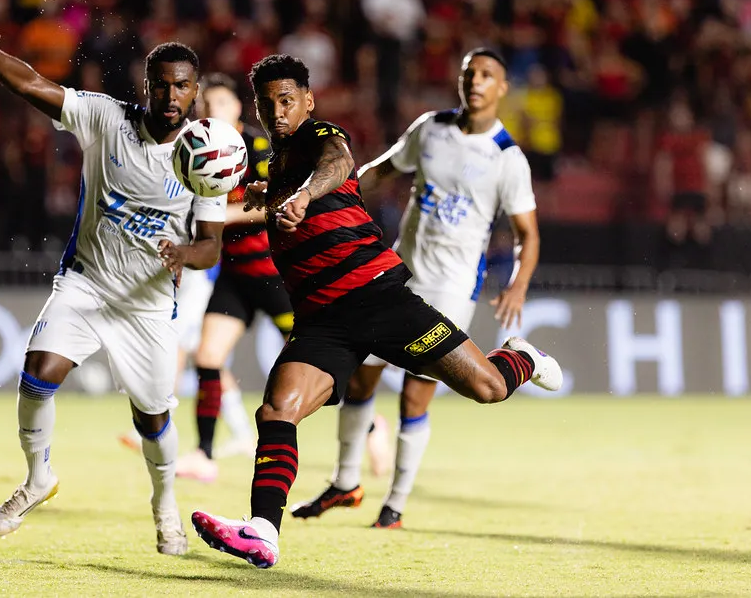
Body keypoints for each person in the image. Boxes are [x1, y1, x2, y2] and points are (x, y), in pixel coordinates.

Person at [190, 54, 562, 569]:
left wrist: (303, 193)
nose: (278, 111)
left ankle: (521, 357)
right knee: (278, 410)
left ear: (307, 101)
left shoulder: (322, 136)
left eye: (287, 100)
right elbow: (290, 197)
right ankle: (263, 529)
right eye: (268, 102)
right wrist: (266, 196)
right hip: (322, 320)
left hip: (379, 299)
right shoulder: (275, 171)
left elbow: (339, 165)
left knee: (489, 388)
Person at [0, 0, 227, 555]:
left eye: (183, 87)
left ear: (195, 91)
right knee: (37, 374)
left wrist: (183, 256)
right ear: (147, 84)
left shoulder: (208, 153)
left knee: (152, 419)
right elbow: (29, 84)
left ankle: (165, 508)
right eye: (162, 84)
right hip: (86, 283)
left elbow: (212, 246)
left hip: (146, 305)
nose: (172, 96)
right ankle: (38, 477)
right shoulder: (106, 117)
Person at [291, 48, 543, 530]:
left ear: (502, 88)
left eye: (487, 76)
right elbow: (382, 170)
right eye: (470, 73)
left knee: (416, 393)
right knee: (361, 376)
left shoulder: (507, 159)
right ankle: (346, 483)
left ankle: (396, 504)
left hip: (451, 289)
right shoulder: (430, 127)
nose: (476, 82)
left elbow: (528, 234)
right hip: (397, 273)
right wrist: (332, 197)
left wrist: (518, 285)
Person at [174, 72, 293, 483]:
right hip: (236, 276)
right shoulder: (194, 151)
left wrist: (220, 217)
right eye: (206, 105)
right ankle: (204, 454)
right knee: (207, 359)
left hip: (277, 275)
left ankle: (368, 427)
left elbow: (273, 203)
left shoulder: (259, 146)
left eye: (221, 104)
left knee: (312, 364)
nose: (212, 111)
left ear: (239, 109)